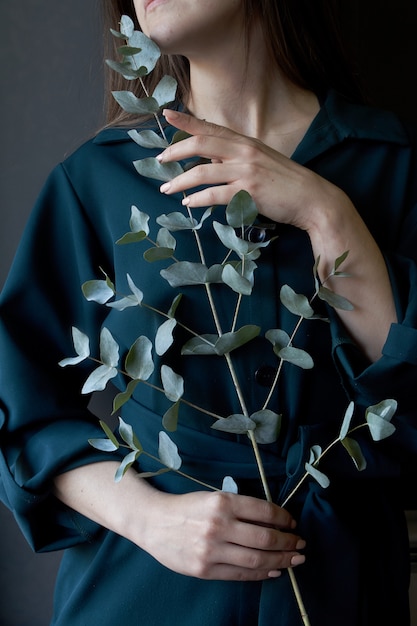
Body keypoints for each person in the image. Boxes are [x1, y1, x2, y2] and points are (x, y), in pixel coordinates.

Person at [1, 0, 416, 624]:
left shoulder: (392, 162)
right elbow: (18, 407)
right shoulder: (98, 178)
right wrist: (148, 518)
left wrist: (325, 212)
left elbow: (409, 398)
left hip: (340, 586)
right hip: (144, 591)